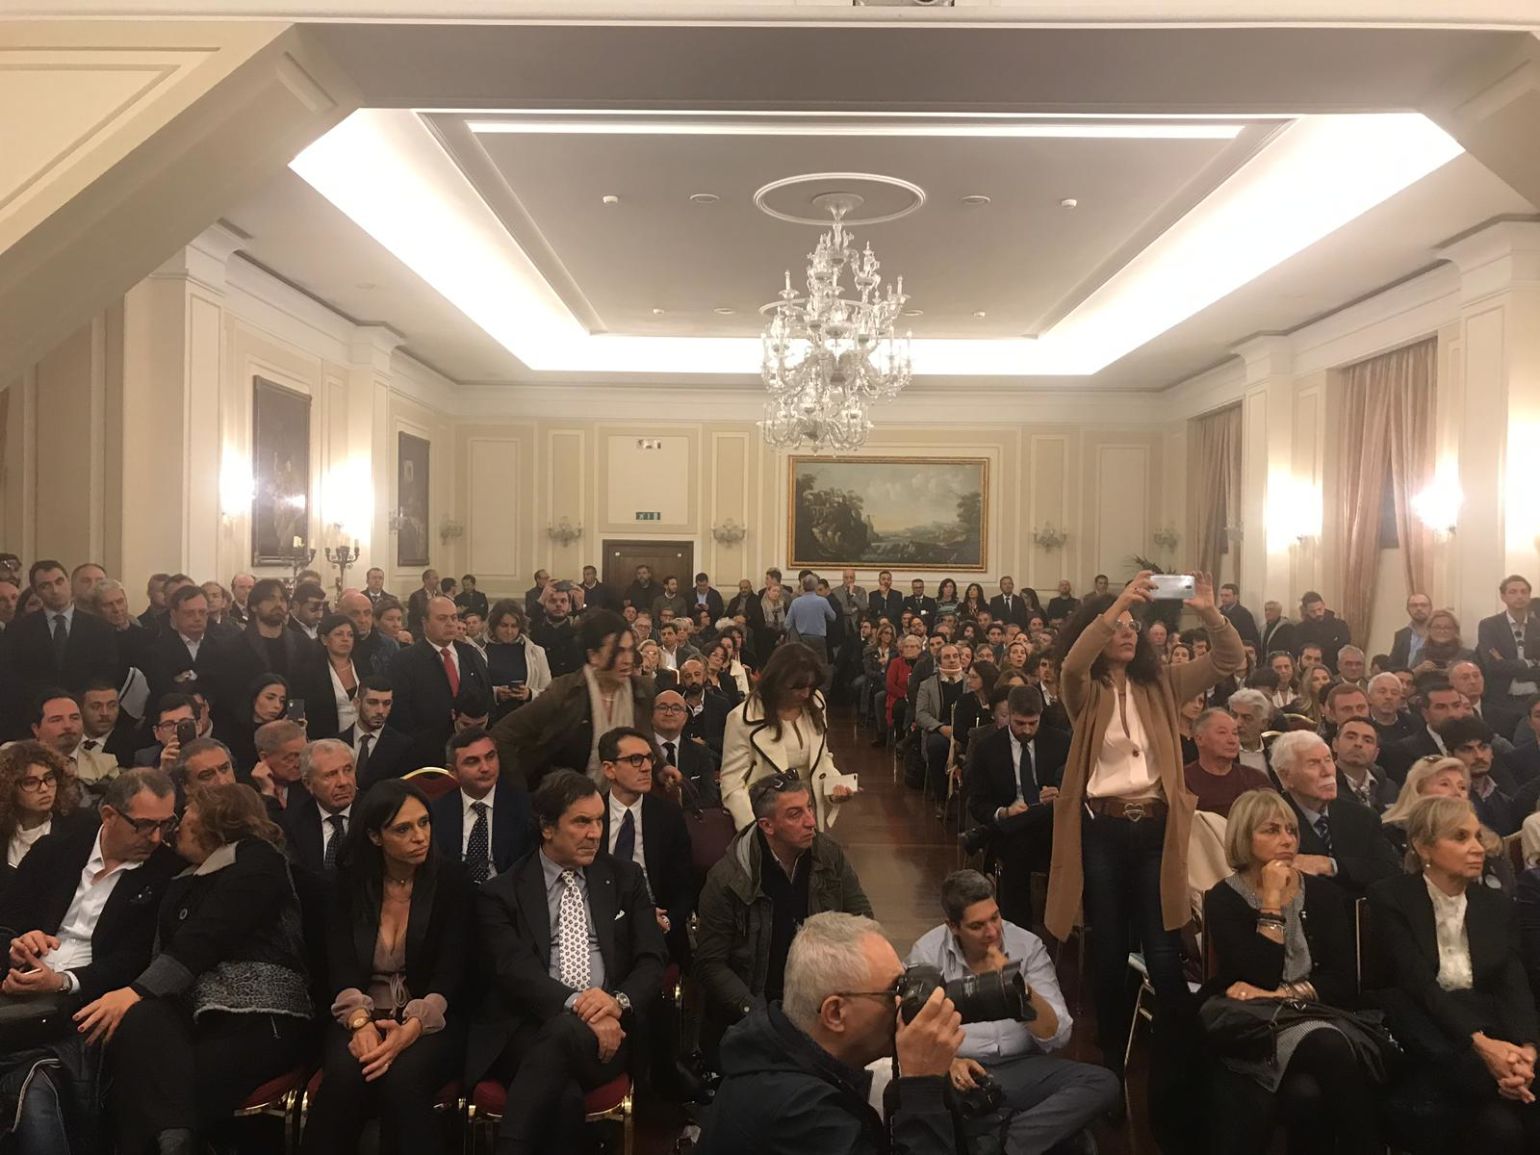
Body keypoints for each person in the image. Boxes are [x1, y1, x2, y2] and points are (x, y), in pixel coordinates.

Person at [1045, 570, 1243, 1079]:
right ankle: (1112, 1059)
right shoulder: (1084, 691)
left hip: (1157, 831)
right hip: (1104, 831)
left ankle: (1180, 1064)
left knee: (1163, 947)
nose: (1128, 632)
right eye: (1118, 626)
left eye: (1134, 625)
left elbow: (1228, 658)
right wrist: (1115, 606)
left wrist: (1208, 611)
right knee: (1110, 947)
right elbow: (1072, 664)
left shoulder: (1163, 684)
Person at [92, 783, 311, 1155]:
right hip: (191, 1016)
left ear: (217, 821)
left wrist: (134, 991)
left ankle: (173, 1139)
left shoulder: (258, 859)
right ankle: (175, 1140)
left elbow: (210, 933)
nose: (176, 827)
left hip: (258, 1016)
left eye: (187, 814)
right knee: (138, 1023)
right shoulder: (181, 877)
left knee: (154, 1081)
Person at [466, 769, 668, 1155]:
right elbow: (514, 970)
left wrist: (616, 1003)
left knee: (561, 1039)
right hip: (527, 1028)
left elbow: (652, 958)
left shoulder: (625, 878)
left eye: (599, 821)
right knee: (564, 1097)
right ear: (546, 827)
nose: (595, 833)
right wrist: (578, 1006)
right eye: (581, 822)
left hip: (611, 1033)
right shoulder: (502, 892)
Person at [0, 769, 183, 1154]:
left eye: (166, 825)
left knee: (33, 1086)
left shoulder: (167, 873)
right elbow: (7, 921)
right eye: (143, 825)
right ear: (109, 815)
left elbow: (137, 959)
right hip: (17, 989)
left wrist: (65, 981)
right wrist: (16, 945)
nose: (155, 838)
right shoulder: (55, 851)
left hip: (87, 1002)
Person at [1201, 789, 1380, 1155]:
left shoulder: (1324, 895)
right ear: (1244, 837)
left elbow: (1343, 981)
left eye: (1292, 830)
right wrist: (1270, 903)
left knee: (1306, 1093)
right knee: (1326, 1046)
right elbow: (1258, 977)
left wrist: (1280, 994)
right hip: (1257, 1024)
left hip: (1315, 1013)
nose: (1287, 840)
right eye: (1271, 830)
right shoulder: (1224, 898)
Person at [699, 910, 965, 1155]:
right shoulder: (799, 1113)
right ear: (835, 1013)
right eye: (893, 991)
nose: (903, 1002)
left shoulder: (778, 1055)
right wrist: (922, 1085)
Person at [301, 779, 473, 1155]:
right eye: (403, 829)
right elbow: (339, 964)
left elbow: (452, 971)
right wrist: (360, 1023)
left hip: (432, 1017)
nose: (419, 836)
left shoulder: (453, 881)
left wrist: (411, 1028)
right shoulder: (346, 884)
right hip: (358, 1011)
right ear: (375, 836)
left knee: (404, 1078)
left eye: (424, 823)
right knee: (348, 1074)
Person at [1368, 796, 1540, 1153]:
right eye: (1460, 837)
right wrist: (1482, 1045)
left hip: (1491, 1027)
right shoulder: (1390, 896)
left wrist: (1526, 1049)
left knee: (1512, 1120)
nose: (1477, 848)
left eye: (1477, 837)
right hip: (1427, 1029)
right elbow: (1417, 982)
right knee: (1505, 1126)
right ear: (1423, 846)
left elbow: (1514, 983)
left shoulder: (1495, 905)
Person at [905, 870, 1117, 1153]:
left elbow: (1058, 1035)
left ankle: (1000, 1142)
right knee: (925, 1094)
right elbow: (908, 1030)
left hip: (1020, 1067)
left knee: (1102, 1083)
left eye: (995, 917)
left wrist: (1017, 987)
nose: (993, 932)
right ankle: (1027, 1132)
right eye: (977, 926)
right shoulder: (928, 953)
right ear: (953, 926)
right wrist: (950, 1062)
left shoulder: (1026, 946)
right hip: (960, 1073)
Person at [695, 774, 872, 1032]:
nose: (811, 822)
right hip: (754, 1011)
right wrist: (757, 1014)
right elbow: (711, 964)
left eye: (809, 808)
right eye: (795, 814)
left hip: (822, 1003)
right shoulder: (727, 879)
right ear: (767, 826)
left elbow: (863, 923)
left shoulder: (828, 855)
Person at [491, 610, 652, 789]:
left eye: (630, 650)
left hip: (622, 798)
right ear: (593, 655)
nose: (628, 660)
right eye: (618, 651)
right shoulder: (565, 692)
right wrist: (518, 789)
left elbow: (648, 741)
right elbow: (503, 734)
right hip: (569, 798)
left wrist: (662, 768)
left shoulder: (641, 691)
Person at [965, 686, 1069, 926]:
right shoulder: (988, 748)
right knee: (1017, 849)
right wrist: (1005, 812)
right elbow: (977, 802)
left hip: (1053, 829)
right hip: (1012, 831)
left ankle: (986, 833)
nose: (1027, 730)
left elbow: (1076, 789)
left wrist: (1060, 792)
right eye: (1020, 723)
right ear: (1009, 714)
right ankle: (1018, 928)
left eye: (1033, 723)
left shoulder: (1060, 742)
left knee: (1043, 813)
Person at [720, 643, 851, 833]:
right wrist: (755, 830)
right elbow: (732, 784)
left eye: (810, 686)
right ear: (776, 681)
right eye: (797, 687)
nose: (805, 693)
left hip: (808, 815)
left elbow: (822, 757)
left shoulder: (816, 703)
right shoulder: (741, 719)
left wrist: (835, 786)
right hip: (767, 820)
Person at [598, 727, 695, 965]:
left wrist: (667, 922)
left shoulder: (668, 815)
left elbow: (685, 886)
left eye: (649, 758)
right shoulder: (591, 815)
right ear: (609, 769)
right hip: (600, 926)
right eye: (635, 759)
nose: (646, 767)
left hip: (658, 929)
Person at [1272, 730, 1399, 899]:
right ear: (1286, 776)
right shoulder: (1271, 822)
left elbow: (1390, 870)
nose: (1327, 772)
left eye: (1328, 760)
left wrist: (1330, 865)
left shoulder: (1362, 816)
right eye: (1313, 764)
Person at [388, 595, 492, 772]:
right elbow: (400, 715)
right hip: (424, 757)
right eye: (442, 618)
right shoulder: (404, 661)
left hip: (472, 755)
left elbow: (487, 698)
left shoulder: (471, 654)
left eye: (454, 618)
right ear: (425, 622)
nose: (450, 624)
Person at [6, 559, 120, 717]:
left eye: (59, 582)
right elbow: (13, 677)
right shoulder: (19, 629)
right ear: (36, 591)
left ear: (69, 583)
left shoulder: (99, 627)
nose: (55, 590)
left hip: (85, 711)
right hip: (36, 711)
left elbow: (107, 673)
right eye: (45, 586)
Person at [429, 725, 533, 882]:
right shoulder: (438, 812)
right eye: (472, 762)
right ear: (453, 772)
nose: (485, 768)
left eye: (490, 757)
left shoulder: (524, 807)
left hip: (508, 892)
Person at [0, 742, 84, 894]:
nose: (44, 788)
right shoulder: (4, 832)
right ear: (10, 788)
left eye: (49, 778)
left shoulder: (79, 829)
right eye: (30, 782)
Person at [281, 739, 359, 876]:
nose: (343, 782)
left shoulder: (375, 811)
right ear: (308, 784)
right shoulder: (293, 822)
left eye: (348, 770)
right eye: (330, 774)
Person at [1478, 575, 1540, 741]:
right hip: (1501, 702)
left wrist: (1506, 663)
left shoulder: (1538, 626)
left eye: (1524, 592)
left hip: (1535, 700)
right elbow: (1492, 666)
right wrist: (1531, 663)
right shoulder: (1489, 626)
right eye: (1513, 592)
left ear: (1529, 596)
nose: (1519, 596)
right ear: (1503, 596)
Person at [1442, 715, 1521, 836]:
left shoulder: (1502, 795)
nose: (1479, 756)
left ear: (1492, 752)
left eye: (1483, 747)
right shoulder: (1447, 799)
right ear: (1450, 756)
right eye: (1467, 750)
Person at [1184, 708, 1271, 817]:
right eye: (1222, 732)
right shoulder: (1184, 782)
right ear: (1199, 739)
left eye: (1235, 733)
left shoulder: (1256, 780)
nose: (1232, 740)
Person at [915, 643, 968, 802]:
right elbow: (921, 714)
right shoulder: (927, 685)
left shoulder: (970, 681)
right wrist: (940, 728)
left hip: (966, 729)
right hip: (940, 729)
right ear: (939, 661)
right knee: (936, 746)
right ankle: (942, 797)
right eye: (947, 657)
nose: (952, 660)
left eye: (955, 656)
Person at [482, 601, 550, 723]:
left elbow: (548, 692)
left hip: (524, 720)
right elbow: (473, 689)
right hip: (491, 719)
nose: (509, 631)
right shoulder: (479, 650)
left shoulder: (536, 652)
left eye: (514, 626)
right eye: (504, 625)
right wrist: (495, 693)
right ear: (494, 625)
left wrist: (529, 694)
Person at [298, 612, 360, 741]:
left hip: (361, 738)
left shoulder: (364, 666)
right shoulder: (308, 671)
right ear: (324, 639)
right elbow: (299, 708)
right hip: (324, 739)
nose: (345, 639)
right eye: (339, 634)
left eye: (350, 635)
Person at [345, 676, 412, 790]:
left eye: (386, 703)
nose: (380, 711)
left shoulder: (404, 747)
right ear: (357, 703)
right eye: (372, 702)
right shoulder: (337, 743)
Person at [1334, 717, 1397, 812]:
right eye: (1351, 737)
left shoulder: (1388, 789)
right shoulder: (1322, 786)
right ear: (1335, 744)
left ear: (1376, 753)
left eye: (1367, 740)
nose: (1358, 744)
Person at [1295, 592, 1352, 674]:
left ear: (1324, 605)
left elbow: (1345, 649)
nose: (1318, 613)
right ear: (1306, 611)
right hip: (1309, 672)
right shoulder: (1300, 630)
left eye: (1320, 609)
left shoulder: (1340, 626)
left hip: (1335, 671)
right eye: (1313, 611)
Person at [1390, 592, 1436, 669]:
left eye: (1423, 605)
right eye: (1414, 605)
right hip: (1406, 676)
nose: (1419, 608)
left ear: (1431, 608)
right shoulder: (1401, 635)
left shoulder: (1440, 633)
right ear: (1408, 609)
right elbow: (1393, 665)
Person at [1218, 582, 1261, 651]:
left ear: (1236, 597)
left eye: (1227, 595)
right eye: (1221, 595)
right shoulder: (1218, 613)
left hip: (1237, 650)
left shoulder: (1244, 614)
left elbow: (1249, 637)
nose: (1223, 598)